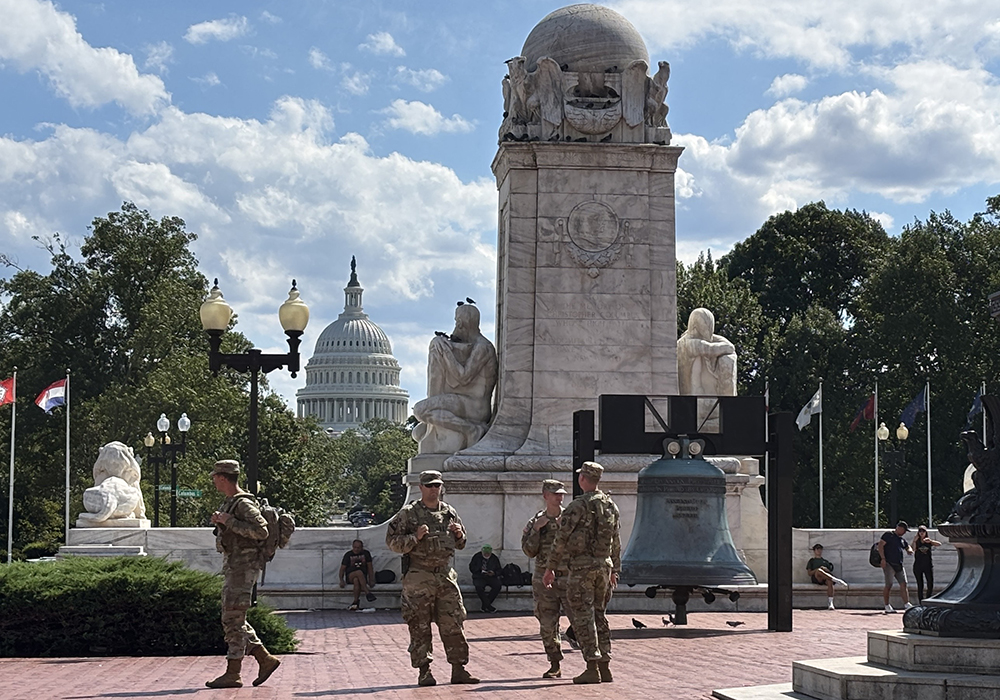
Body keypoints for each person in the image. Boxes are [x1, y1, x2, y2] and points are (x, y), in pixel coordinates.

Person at [385, 470, 479, 687]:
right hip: (419, 577)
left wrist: (459, 535)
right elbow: (392, 542)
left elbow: (461, 543)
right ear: (421, 488)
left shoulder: (449, 512)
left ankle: (458, 669)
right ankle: (424, 672)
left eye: (437, 485)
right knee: (420, 626)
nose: (434, 489)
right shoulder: (409, 514)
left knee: (453, 623)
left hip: (445, 576)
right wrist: (414, 538)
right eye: (429, 485)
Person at [206, 460, 281, 689]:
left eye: (215, 476)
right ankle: (263, 658)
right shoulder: (231, 502)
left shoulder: (243, 503)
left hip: (243, 568)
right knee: (233, 617)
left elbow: (261, 530)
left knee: (232, 618)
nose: (213, 481)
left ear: (222, 478)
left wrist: (228, 520)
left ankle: (234, 672)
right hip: (235, 566)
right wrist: (222, 522)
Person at [544, 461, 620, 685]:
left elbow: (561, 539)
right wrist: (615, 569)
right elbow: (616, 541)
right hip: (603, 567)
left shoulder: (578, 506)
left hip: (582, 568)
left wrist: (550, 568)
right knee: (599, 615)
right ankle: (605, 666)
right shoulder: (610, 505)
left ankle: (591, 666)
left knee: (582, 616)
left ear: (582, 479)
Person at [411, 303, 498, 454]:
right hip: (462, 403)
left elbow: (463, 378)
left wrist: (446, 352)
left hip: (475, 407)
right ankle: (464, 429)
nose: (456, 326)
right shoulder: (473, 345)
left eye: (457, 321)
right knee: (418, 432)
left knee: (419, 410)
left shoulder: (483, 347)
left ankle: (471, 430)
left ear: (462, 322)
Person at [522, 478, 570, 679]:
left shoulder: (571, 518)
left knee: (581, 618)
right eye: (555, 493)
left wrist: (564, 528)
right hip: (544, 579)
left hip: (569, 576)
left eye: (561, 494)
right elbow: (528, 551)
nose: (559, 497)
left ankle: (592, 664)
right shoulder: (535, 522)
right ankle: (554, 663)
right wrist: (536, 531)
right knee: (547, 623)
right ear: (545, 496)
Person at [878, 520, 914, 614]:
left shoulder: (901, 539)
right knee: (888, 584)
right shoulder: (888, 535)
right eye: (904, 530)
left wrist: (909, 550)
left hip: (899, 564)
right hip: (889, 563)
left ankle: (906, 604)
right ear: (899, 528)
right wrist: (883, 559)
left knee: (903, 583)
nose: (905, 532)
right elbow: (880, 545)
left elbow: (907, 546)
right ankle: (887, 605)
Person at [805, 543, 847, 610]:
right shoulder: (812, 561)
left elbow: (829, 572)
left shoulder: (825, 561)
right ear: (814, 550)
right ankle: (836, 580)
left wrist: (825, 569)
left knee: (829, 581)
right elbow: (809, 573)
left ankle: (830, 603)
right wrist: (817, 570)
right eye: (817, 549)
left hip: (825, 578)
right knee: (819, 570)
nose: (819, 551)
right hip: (816, 578)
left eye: (820, 549)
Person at [340, 539, 376, 610]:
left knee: (356, 580)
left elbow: (370, 567)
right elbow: (342, 569)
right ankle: (367, 592)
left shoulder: (366, 554)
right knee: (358, 572)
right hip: (350, 575)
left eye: (358, 547)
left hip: (362, 577)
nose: (356, 549)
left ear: (362, 547)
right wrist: (341, 580)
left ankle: (355, 602)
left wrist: (371, 579)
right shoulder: (348, 555)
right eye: (355, 547)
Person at [911, 525, 942, 602]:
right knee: (920, 584)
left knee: (930, 583)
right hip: (918, 565)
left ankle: (928, 598)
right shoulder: (917, 541)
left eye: (923, 531)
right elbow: (913, 549)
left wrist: (931, 541)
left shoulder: (928, 541)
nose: (921, 533)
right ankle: (920, 600)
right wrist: (914, 541)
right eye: (920, 531)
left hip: (928, 565)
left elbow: (939, 544)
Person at [469, 545, 502, 613]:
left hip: (491, 577)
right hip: (479, 576)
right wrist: (479, 570)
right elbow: (472, 568)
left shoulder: (494, 558)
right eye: (485, 553)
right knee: (479, 587)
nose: (487, 555)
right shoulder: (476, 557)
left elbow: (499, 569)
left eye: (488, 554)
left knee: (498, 585)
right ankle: (488, 606)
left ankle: (485, 605)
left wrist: (494, 573)